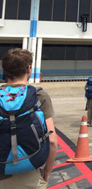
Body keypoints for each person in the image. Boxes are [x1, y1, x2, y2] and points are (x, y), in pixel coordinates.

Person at [0, 49, 58, 188]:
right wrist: (47, 172)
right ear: (29, 69)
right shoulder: (39, 96)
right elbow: (52, 141)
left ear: (5, 70)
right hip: (30, 172)